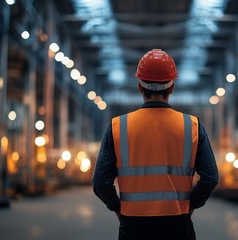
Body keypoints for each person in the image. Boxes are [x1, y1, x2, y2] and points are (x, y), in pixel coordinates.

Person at [93, 49, 219, 240]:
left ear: (140, 88)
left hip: (133, 226)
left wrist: (119, 209)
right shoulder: (192, 126)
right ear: (172, 87)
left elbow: (101, 182)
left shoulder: (118, 126)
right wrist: (189, 205)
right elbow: (210, 178)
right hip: (178, 225)